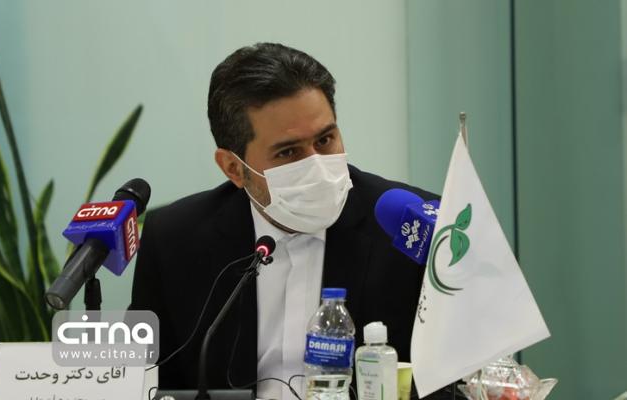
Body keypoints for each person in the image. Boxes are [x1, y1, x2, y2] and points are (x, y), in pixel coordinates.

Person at [130, 43, 442, 399]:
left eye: (325, 140)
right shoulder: (175, 241)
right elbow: (147, 384)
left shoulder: (413, 228)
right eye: (288, 152)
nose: (316, 166)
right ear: (233, 168)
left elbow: (455, 381)